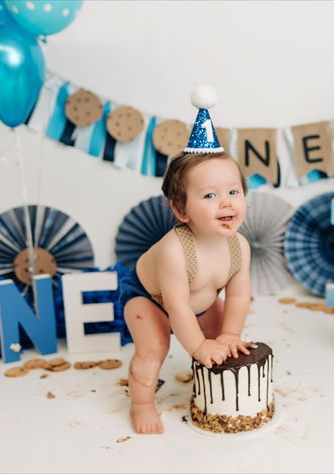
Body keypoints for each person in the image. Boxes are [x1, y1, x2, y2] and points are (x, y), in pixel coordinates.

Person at [120, 87, 254, 434]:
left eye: (233, 192)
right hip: (151, 298)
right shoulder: (175, 251)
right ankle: (142, 403)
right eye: (210, 195)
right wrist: (198, 347)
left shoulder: (239, 246)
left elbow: (238, 296)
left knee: (229, 342)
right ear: (180, 209)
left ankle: (213, 394)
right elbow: (177, 308)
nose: (226, 203)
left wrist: (227, 336)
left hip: (201, 301)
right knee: (154, 348)